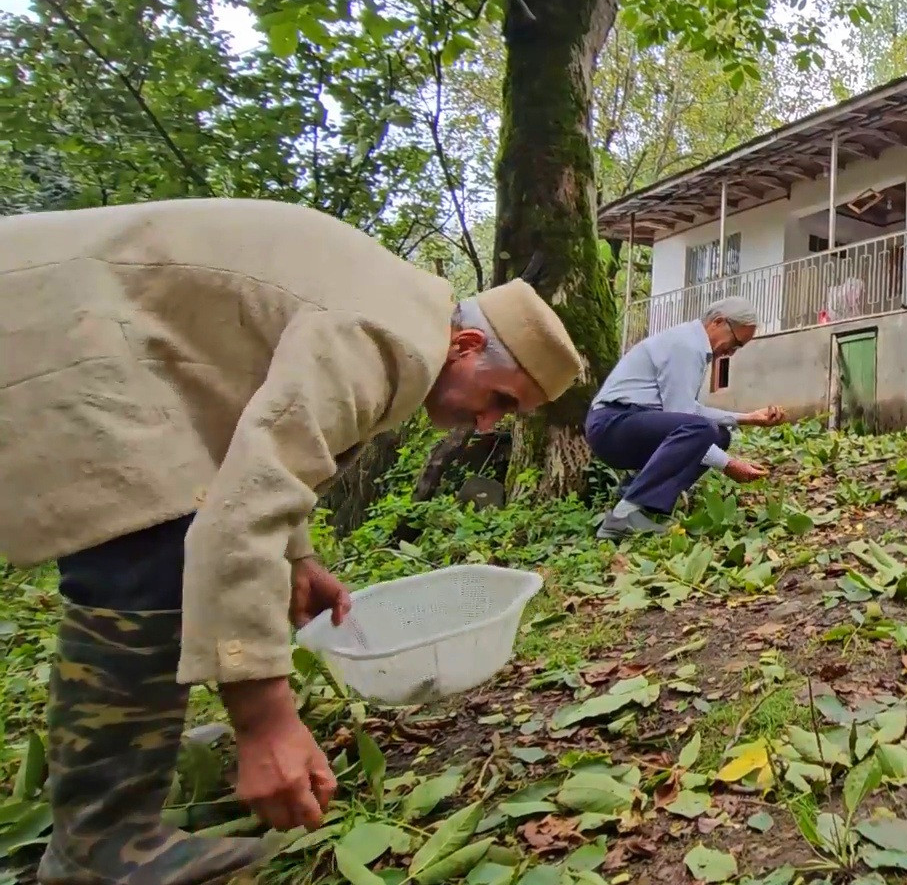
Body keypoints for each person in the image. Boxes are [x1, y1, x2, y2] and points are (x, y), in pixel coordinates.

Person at [0, 198, 584, 884]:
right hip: (58, 325)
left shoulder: (396, 310)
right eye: (500, 400)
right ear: (464, 348)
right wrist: (265, 722)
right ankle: (102, 846)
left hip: (91, 326)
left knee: (153, 547)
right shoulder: (382, 337)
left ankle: (111, 799)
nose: (486, 426)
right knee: (146, 555)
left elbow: (258, 445)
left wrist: (297, 557)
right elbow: (238, 512)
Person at [586, 297, 786, 538]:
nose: (731, 353)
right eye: (735, 343)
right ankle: (623, 515)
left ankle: (637, 500)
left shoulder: (691, 345)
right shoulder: (686, 345)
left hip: (627, 424)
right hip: (613, 424)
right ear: (718, 322)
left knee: (718, 434)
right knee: (704, 431)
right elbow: (684, 417)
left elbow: (689, 412)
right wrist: (728, 465)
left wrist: (748, 418)